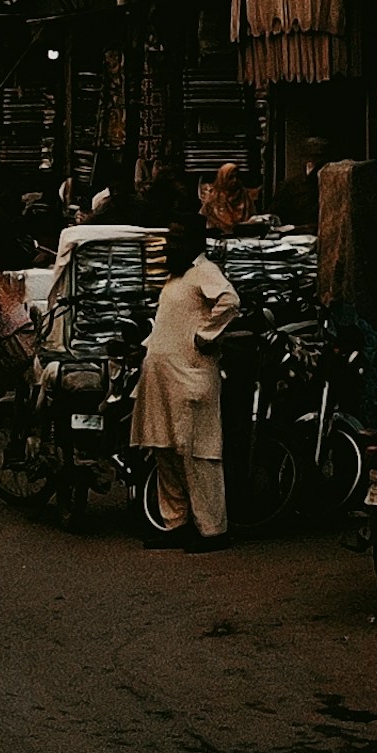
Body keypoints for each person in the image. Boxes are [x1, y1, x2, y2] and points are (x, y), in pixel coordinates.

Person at [132, 219, 241, 544]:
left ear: (195, 243)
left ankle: (211, 530)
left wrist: (206, 335)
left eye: (177, 240)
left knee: (197, 455)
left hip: (190, 378)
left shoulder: (204, 271)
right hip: (163, 380)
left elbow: (230, 301)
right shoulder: (176, 277)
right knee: (164, 452)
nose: (170, 247)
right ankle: (175, 524)